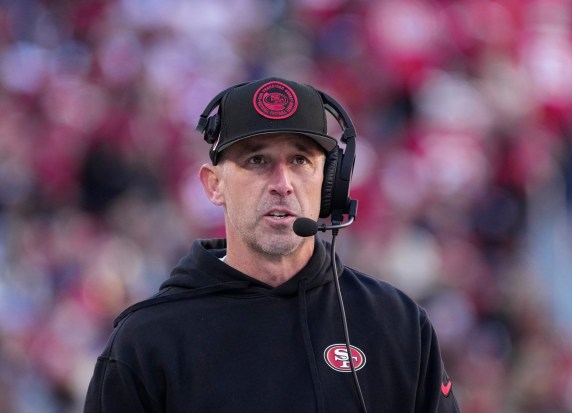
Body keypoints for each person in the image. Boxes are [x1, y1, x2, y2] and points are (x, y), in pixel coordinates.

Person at [83, 77, 461, 412]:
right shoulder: (147, 342)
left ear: (330, 185)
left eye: (300, 160)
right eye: (257, 160)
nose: (283, 182)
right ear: (214, 185)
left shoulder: (395, 323)